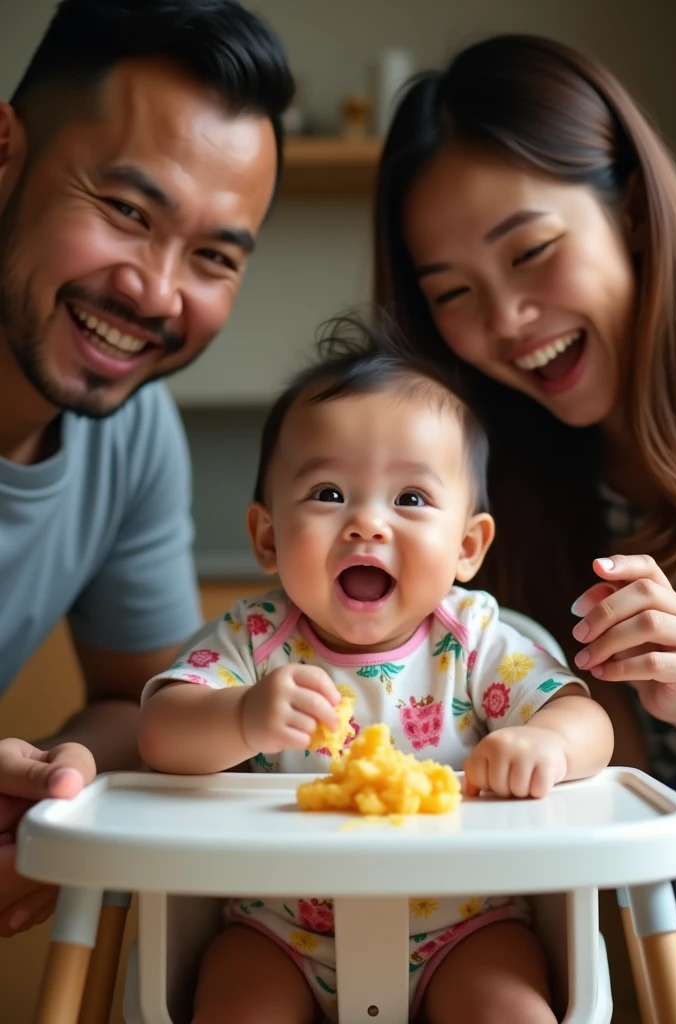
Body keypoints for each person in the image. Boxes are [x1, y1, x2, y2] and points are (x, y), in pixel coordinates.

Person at [137, 320, 614, 1024]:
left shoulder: (474, 641)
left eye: (411, 500)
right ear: (267, 536)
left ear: (468, 546)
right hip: (278, 929)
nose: (366, 524)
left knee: (512, 1008)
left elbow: (584, 717)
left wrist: (549, 744)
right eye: (328, 494)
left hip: (466, 924)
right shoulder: (254, 642)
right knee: (236, 1003)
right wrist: (239, 716)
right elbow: (160, 732)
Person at [373, 31, 676, 943]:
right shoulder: (488, 493)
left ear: (629, 209)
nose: (507, 322)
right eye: (453, 293)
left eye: (531, 251)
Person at [0, 0, 293, 939]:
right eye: (127, 212)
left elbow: (136, 700)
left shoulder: (132, 435)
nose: (157, 293)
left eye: (212, 256)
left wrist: (55, 786)